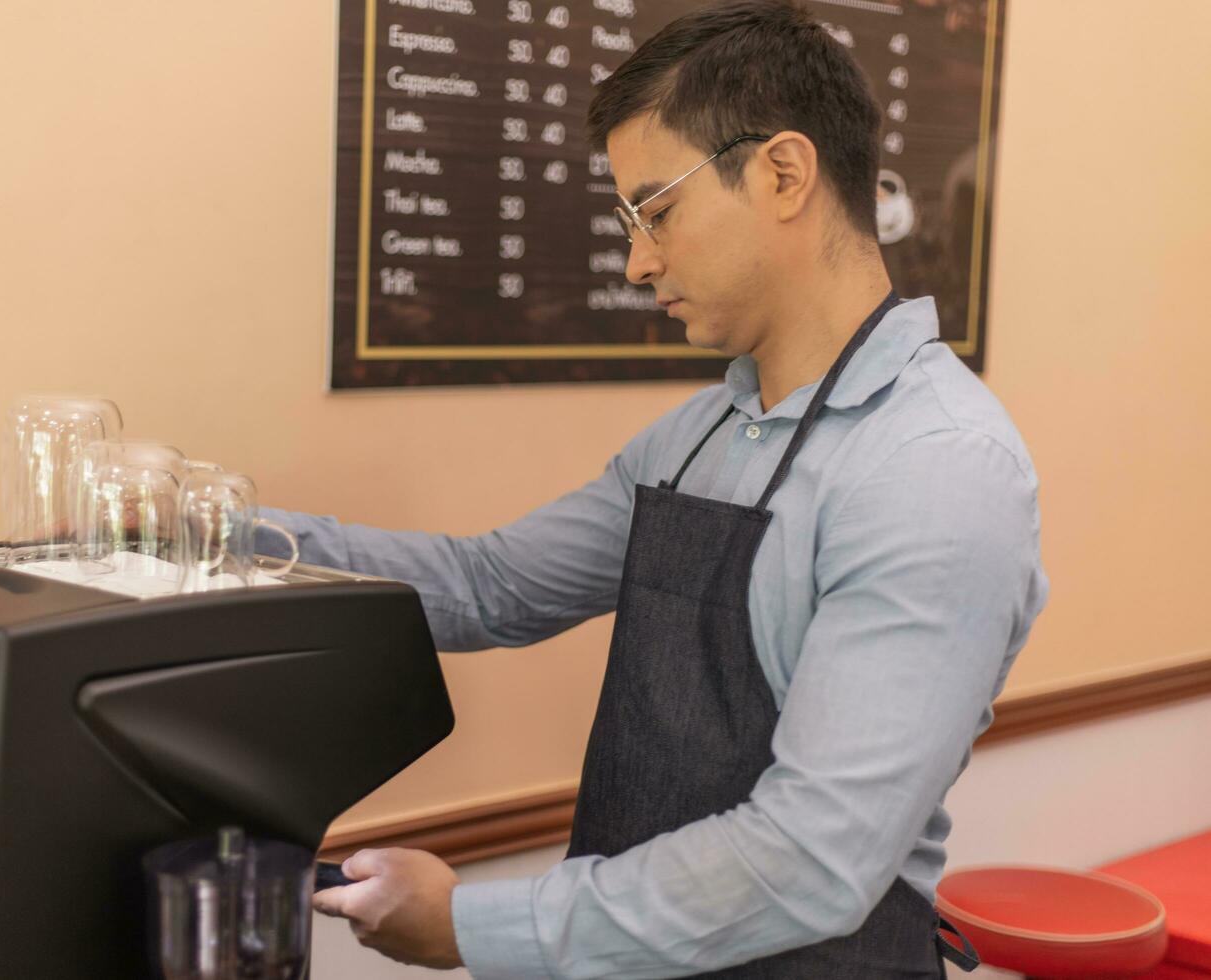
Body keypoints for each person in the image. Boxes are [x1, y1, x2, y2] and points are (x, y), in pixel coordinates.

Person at [302, 1, 1047, 975]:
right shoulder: (695, 441)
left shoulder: (937, 466)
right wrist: (218, 542)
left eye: (657, 211)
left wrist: (475, 925)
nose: (636, 261)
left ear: (784, 173)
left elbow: (812, 857)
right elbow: (488, 586)